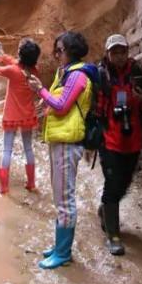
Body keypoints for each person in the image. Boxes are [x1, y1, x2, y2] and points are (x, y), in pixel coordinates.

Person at [27, 31, 98, 269]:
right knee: (59, 196)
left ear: (71, 51)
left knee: (65, 199)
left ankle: (63, 253)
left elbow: (61, 106)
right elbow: (56, 104)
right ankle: (59, 246)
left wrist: (40, 90)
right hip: (60, 140)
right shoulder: (65, 74)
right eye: (56, 50)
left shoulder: (77, 75)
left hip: (69, 142)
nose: (57, 55)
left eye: (60, 50)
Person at [96, 34, 142, 255]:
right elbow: (94, 105)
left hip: (133, 140)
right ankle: (113, 235)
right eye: (115, 52)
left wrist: (141, 98)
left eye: (122, 51)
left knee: (124, 184)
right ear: (108, 54)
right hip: (109, 140)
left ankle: (105, 209)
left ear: (128, 52)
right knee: (113, 185)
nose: (119, 56)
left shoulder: (137, 73)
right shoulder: (102, 74)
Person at [0, 39, 41, 194]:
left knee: (7, 150)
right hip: (27, 115)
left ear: (20, 54)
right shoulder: (35, 71)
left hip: (11, 115)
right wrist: (3, 54)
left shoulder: (12, 71)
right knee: (28, 149)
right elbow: (16, 62)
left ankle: (4, 187)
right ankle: (31, 183)